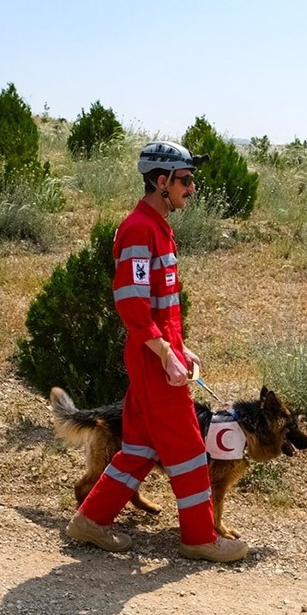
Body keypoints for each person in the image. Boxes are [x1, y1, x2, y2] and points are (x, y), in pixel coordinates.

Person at [64, 141, 248, 563]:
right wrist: (165, 353)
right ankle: (200, 537)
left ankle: (90, 518)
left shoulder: (159, 228)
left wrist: (181, 349)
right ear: (161, 182)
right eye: (185, 180)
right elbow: (131, 302)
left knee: (142, 446)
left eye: (191, 180)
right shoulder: (138, 230)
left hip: (160, 356)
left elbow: (161, 306)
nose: (192, 188)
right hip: (152, 361)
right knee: (187, 448)